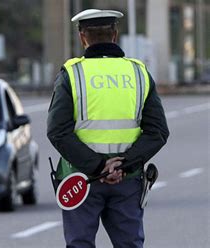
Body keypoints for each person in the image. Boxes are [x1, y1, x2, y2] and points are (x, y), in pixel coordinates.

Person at [46, 9, 169, 248]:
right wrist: (123, 165)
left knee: (79, 243)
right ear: (115, 35)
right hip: (127, 179)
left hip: (81, 180)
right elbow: (158, 131)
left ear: (83, 37)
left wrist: (98, 167)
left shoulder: (72, 74)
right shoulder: (138, 73)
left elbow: (57, 131)